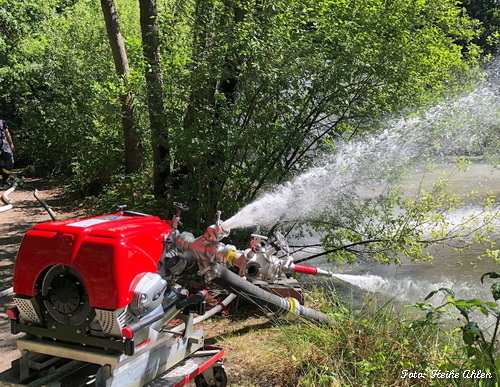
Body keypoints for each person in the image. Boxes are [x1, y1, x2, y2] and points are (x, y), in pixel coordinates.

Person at [0, 118, 15, 189]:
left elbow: (7, 132)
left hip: (4, 144)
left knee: (10, 161)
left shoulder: (2, 121)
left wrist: (11, 143)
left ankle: (5, 178)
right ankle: (1, 182)